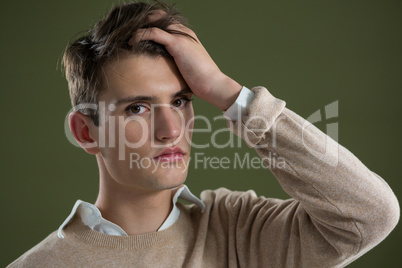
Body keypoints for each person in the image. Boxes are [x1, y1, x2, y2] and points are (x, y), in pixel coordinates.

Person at [8, 1, 399, 267]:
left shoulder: (239, 232)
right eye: (137, 108)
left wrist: (227, 92)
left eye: (181, 101)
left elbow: (371, 215)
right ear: (85, 131)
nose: (172, 130)